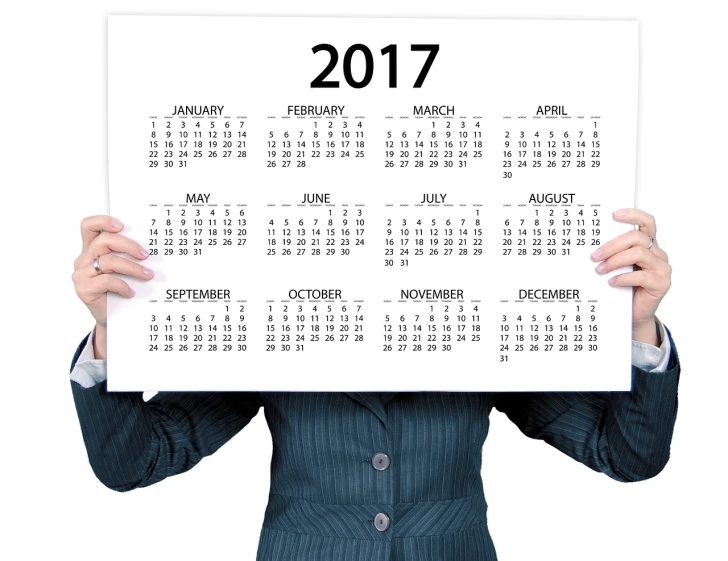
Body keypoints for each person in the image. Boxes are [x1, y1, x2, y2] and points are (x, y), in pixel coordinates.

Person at [69, 209, 679, 561]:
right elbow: (135, 461)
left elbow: (627, 456)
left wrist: (638, 327)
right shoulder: (273, 320)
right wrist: (112, 332)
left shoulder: (485, 319)